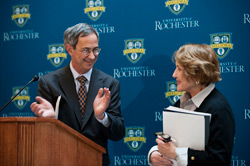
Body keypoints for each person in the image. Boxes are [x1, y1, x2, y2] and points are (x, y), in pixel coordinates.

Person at [30, 23, 125, 166]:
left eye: (96, 49)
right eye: (86, 50)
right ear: (70, 49)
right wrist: (50, 121)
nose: (92, 56)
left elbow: (118, 133)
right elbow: (41, 138)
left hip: (96, 161)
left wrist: (102, 117)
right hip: (59, 160)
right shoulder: (49, 83)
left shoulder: (110, 84)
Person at [148, 43, 235, 166]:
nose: (174, 74)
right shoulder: (182, 101)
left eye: (179, 68)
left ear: (196, 72)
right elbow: (172, 143)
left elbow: (219, 160)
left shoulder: (219, 109)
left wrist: (176, 153)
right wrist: (154, 154)